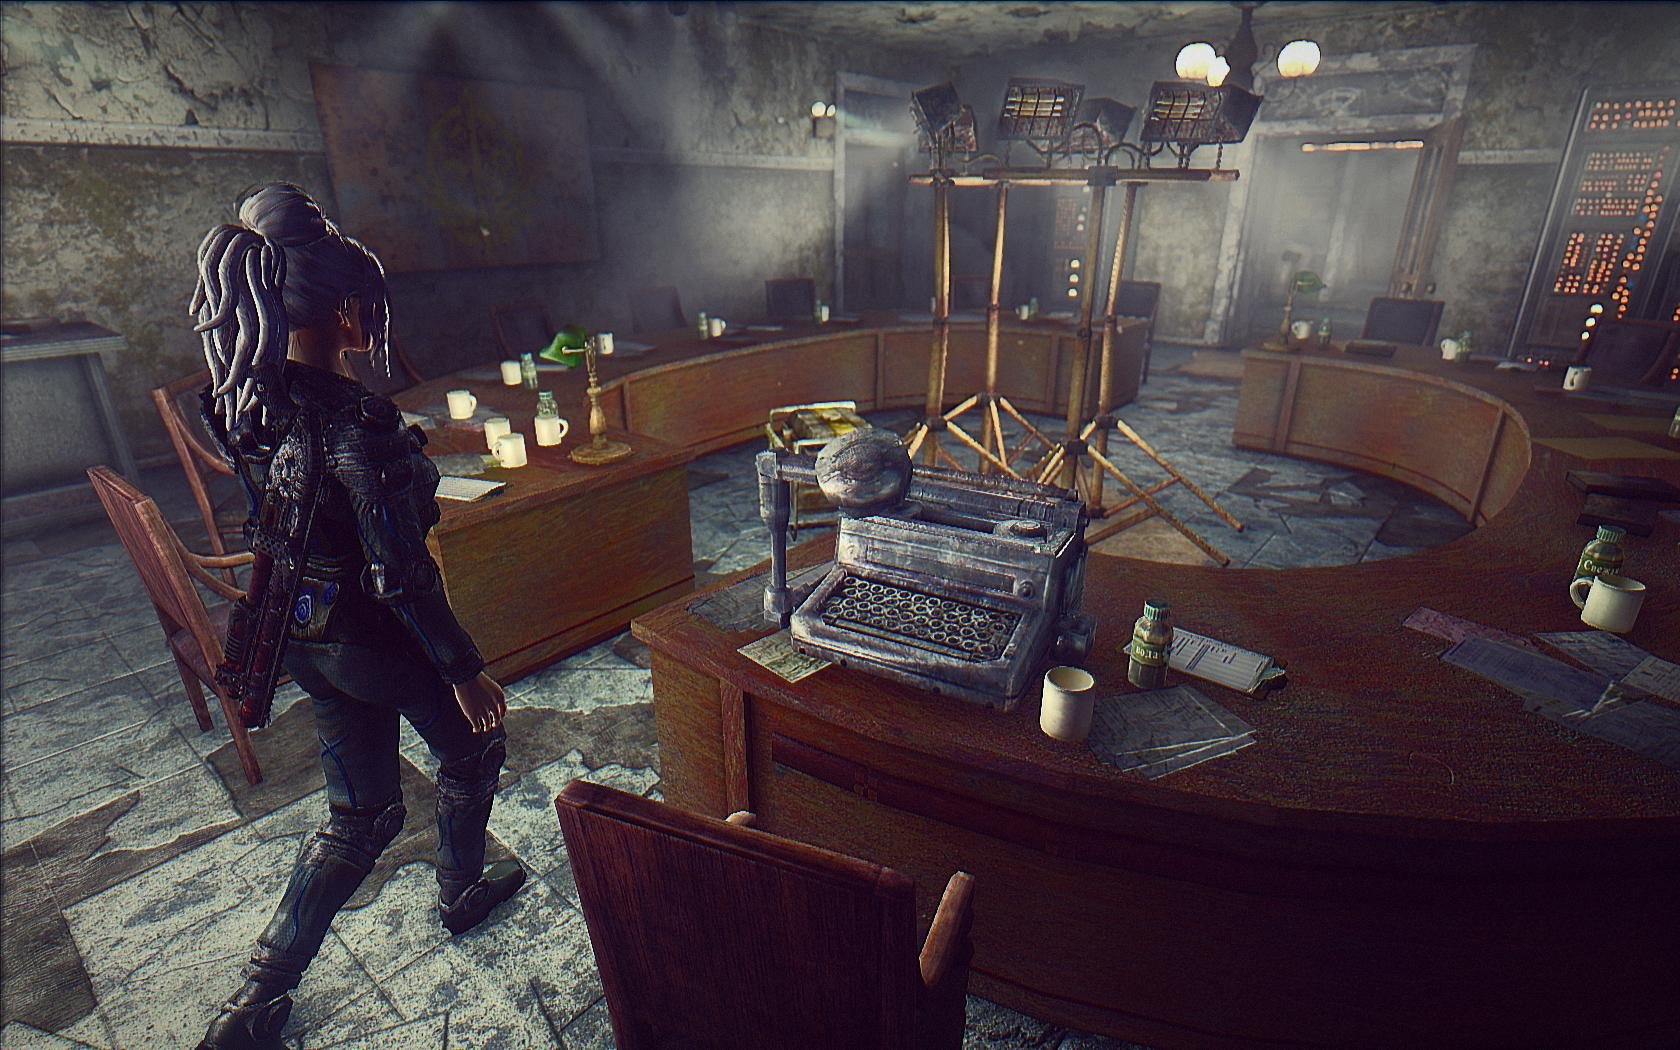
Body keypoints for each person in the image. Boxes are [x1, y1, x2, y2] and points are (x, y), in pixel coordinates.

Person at [191, 183, 525, 1049]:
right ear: (346, 311)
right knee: (474, 748)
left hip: (306, 635)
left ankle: (256, 998)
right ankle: (460, 890)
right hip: (377, 638)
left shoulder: (248, 402)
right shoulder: (359, 422)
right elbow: (400, 572)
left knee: (361, 816)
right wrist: (463, 669)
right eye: (369, 307)